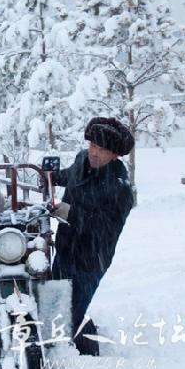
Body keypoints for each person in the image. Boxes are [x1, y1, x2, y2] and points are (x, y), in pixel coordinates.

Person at [51, 117, 135, 356]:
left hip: (90, 260)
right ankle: (59, 343)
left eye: (103, 150)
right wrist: (52, 176)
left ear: (115, 155)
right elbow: (70, 175)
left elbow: (102, 227)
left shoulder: (120, 189)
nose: (95, 153)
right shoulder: (82, 159)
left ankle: (89, 358)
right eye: (93, 146)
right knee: (55, 301)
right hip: (65, 248)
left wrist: (66, 212)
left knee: (73, 312)